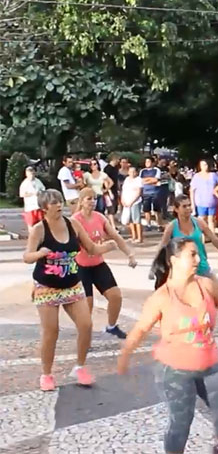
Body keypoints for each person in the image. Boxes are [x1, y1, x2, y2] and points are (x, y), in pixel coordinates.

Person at [118, 237, 218, 454]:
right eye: (192, 254)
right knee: (181, 423)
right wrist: (125, 355)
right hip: (175, 370)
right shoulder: (161, 297)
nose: (198, 259)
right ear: (174, 260)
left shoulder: (207, 286)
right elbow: (141, 329)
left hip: (209, 365)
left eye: (198, 254)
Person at [23, 189, 117, 391]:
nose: (58, 205)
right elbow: (27, 257)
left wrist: (108, 246)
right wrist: (40, 253)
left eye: (59, 201)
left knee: (86, 324)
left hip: (72, 285)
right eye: (53, 202)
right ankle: (46, 374)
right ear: (44, 208)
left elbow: (91, 248)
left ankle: (80, 367)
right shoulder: (39, 230)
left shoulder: (73, 224)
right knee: (51, 331)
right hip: (46, 287)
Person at [72, 188, 137, 339]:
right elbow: (89, 248)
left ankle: (111, 326)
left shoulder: (99, 218)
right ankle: (84, 336)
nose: (92, 202)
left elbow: (115, 236)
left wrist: (129, 254)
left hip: (98, 264)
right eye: (88, 199)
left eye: (94, 198)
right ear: (81, 201)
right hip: (81, 267)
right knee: (87, 305)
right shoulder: (75, 220)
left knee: (116, 296)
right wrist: (107, 247)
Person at [160, 194, 218, 280]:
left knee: (215, 290)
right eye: (184, 206)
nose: (188, 208)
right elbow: (163, 247)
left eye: (189, 205)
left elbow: (213, 238)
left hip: (202, 267)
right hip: (182, 270)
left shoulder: (199, 222)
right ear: (176, 209)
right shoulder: (171, 227)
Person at [190, 160, 218, 232]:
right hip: (201, 202)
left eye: (206, 165)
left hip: (212, 201)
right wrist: (192, 204)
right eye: (203, 165)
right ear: (200, 166)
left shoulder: (213, 175)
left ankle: (213, 238)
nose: (205, 167)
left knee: (211, 220)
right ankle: (201, 237)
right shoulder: (196, 176)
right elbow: (192, 190)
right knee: (202, 220)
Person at [121, 165, 144, 244]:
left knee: (136, 220)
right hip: (126, 202)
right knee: (130, 220)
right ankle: (133, 236)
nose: (132, 173)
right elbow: (123, 190)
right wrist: (122, 200)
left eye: (134, 171)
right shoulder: (127, 179)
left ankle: (139, 237)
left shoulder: (138, 180)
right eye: (130, 171)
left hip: (135, 202)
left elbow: (139, 192)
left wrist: (132, 202)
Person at [19, 166, 46, 230]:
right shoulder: (24, 183)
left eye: (33, 173)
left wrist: (40, 192)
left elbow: (43, 189)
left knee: (40, 222)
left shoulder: (37, 181)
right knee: (31, 223)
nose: (32, 175)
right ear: (26, 174)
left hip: (38, 206)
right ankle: (32, 236)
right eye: (30, 173)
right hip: (30, 207)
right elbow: (22, 194)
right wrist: (32, 194)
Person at [139, 157, 162, 230]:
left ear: (152, 163)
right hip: (145, 192)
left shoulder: (156, 170)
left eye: (148, 161)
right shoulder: (142, 171)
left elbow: (156, 179)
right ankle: (148, 225)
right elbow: (141, 180)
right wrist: (151, 180)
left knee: (157, 210)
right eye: (146, 162)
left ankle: (159, 225)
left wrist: (147, 180)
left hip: (155, 192)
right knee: (146, 209)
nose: (147, 163)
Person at [103, 155, 121, 229]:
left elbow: (117, 179)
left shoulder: (116, 168)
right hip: (109, 190)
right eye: (118, 160)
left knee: (115, 207)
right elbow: (105, 180)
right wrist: (109, 191)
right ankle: (112, 226)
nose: (118, 161)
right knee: (111, 208)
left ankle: (112, 223)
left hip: (115, 190)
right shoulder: (107, 169)